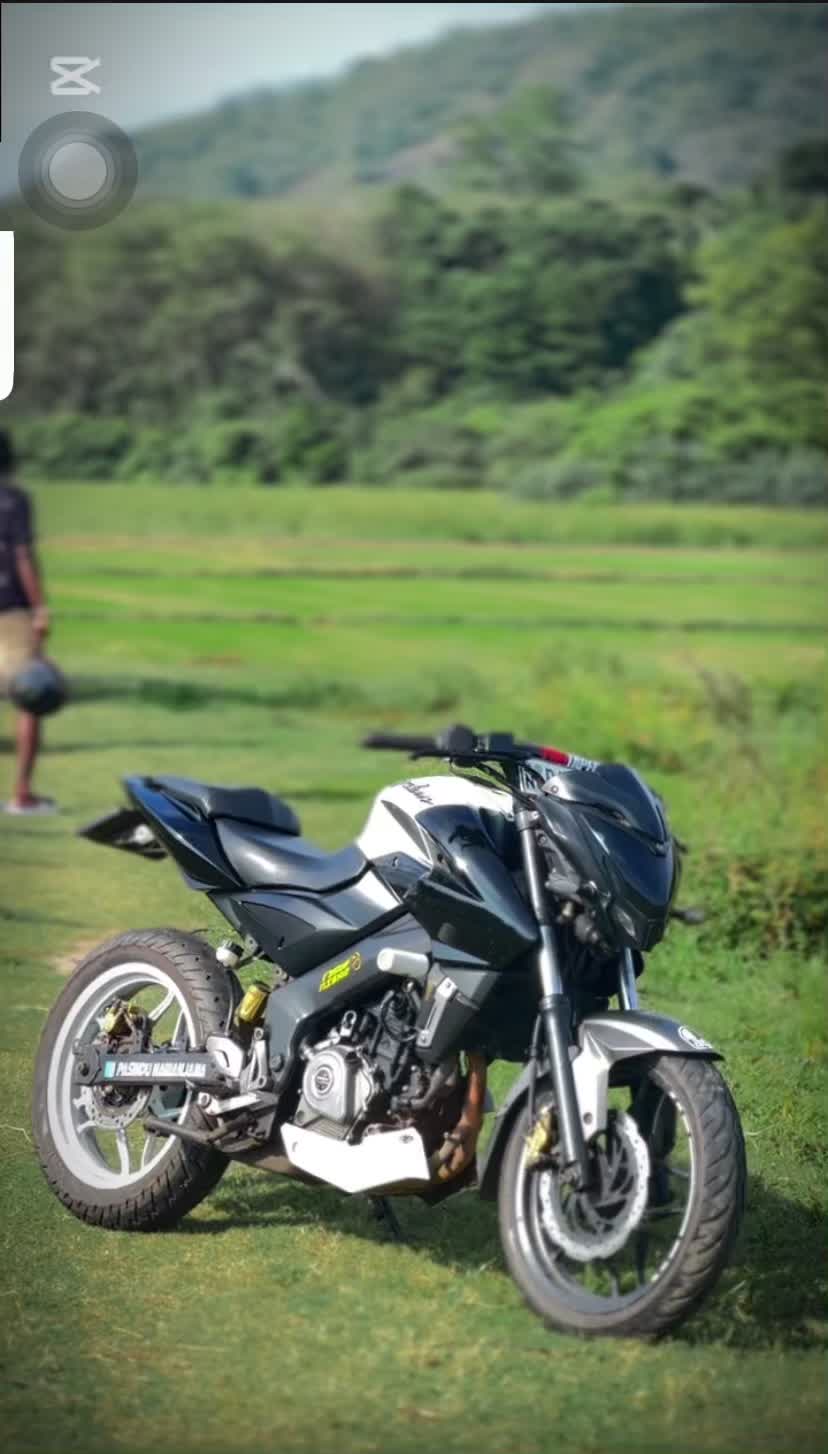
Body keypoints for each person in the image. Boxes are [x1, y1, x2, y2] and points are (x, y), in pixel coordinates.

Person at [0, 429, 56, 814]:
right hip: (10, 609)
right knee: (30, 695)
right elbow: (22, 556)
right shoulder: (13, 500)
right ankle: (22, 793)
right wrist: (39, 608)